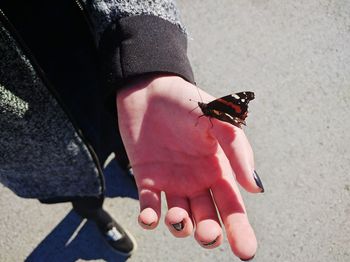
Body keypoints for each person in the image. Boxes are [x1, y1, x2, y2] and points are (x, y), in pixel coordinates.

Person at [0, 0, 264, 261]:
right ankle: (95, 214)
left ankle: (130, 165)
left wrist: (143, 54)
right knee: (78, 189)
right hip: (29, 144)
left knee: (131, 140)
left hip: (101, 73)